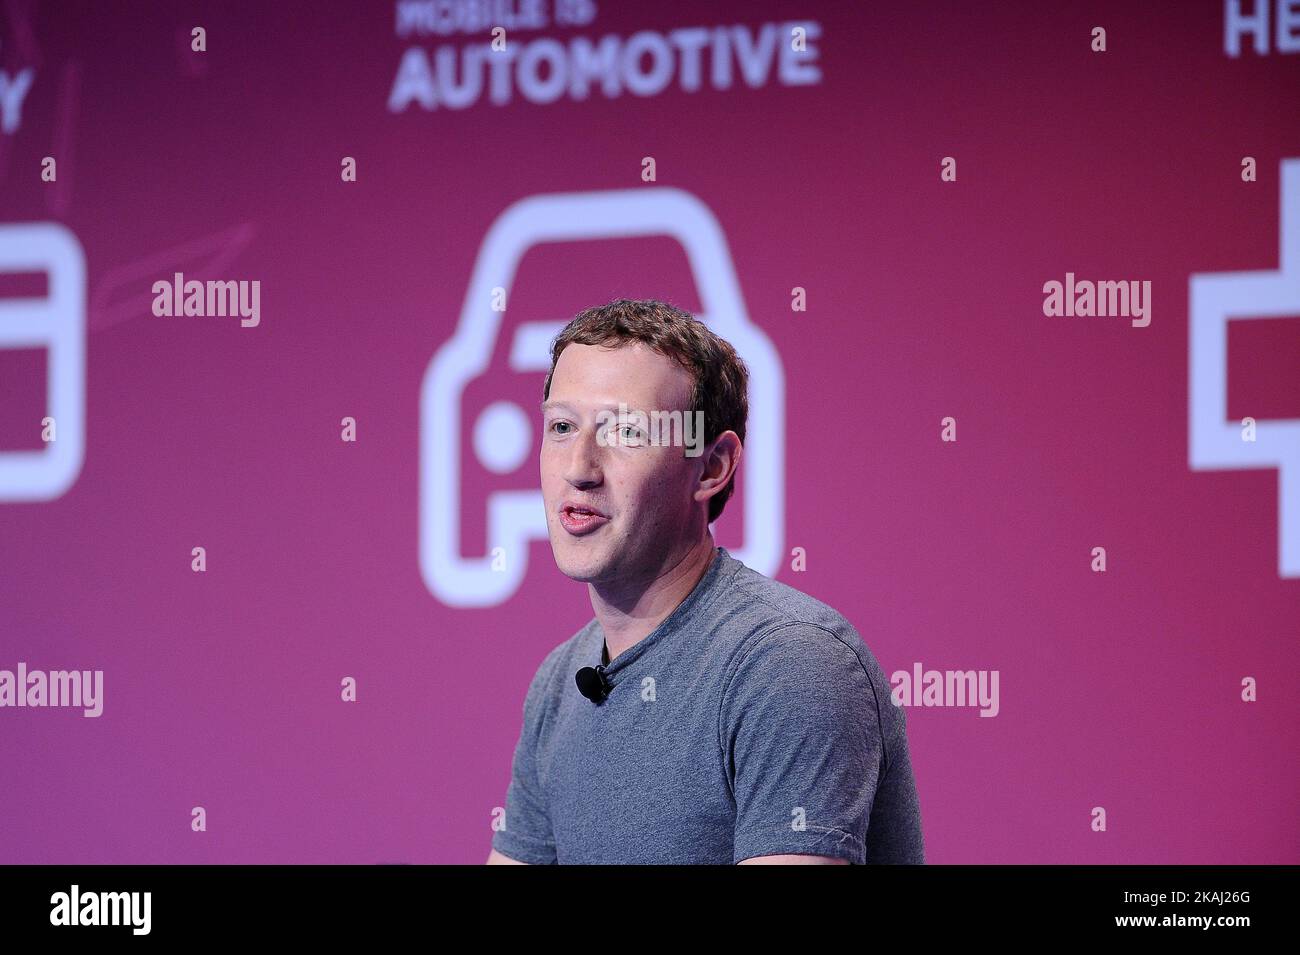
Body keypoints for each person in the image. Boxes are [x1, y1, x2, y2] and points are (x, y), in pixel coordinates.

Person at [487, 299, 924, 864]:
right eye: (563, 426)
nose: (579, 467)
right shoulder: (558, 683)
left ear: (712, 466)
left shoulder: (789, 666)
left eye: (624, 430)